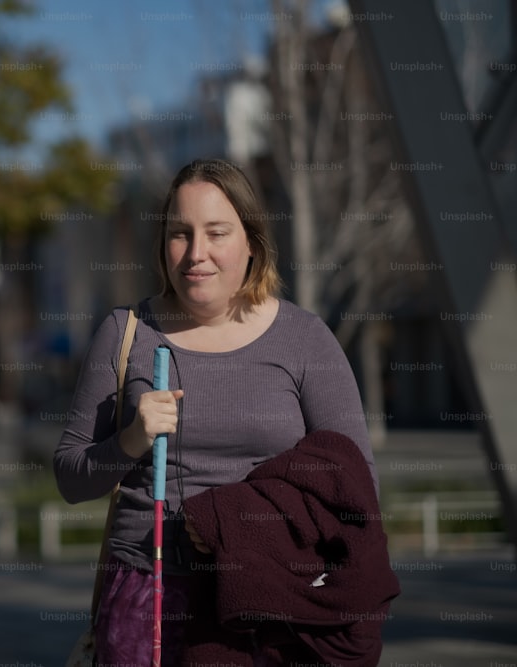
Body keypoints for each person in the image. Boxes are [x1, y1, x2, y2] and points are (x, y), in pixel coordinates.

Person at [53, 158, 380, 666]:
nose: (196, 254)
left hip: (268, 601)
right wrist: (132, 440)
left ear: (252, 242)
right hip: (149, 597)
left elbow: (355, 486)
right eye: (180, 234)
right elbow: (71, 479)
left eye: (217, 232)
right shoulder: (126, 333)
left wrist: (243, 528)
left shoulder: (305, 339)